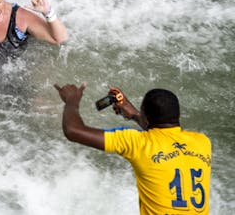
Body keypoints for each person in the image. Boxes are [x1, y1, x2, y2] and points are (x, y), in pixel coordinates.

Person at [53, 83, 211, 214]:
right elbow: (162, 133)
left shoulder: (137, 143)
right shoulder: (202, 143)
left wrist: (71, 101)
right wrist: (134, 112)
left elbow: (73, 131)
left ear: (147, 119)